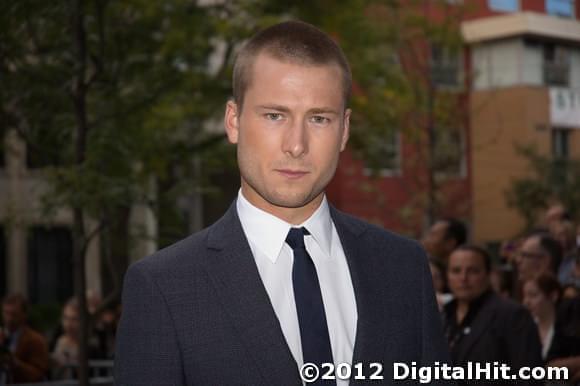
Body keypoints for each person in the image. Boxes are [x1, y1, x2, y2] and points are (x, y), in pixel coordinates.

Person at [115, 20, 450, 385]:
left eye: (319, 119)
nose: (296, 144)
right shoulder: (165, 286)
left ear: (344, 130)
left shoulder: (402, 268)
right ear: (233, 121)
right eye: (275, 115)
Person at [442, 246, 542, 385]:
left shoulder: (512, 315)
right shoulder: (441, 315)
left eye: (473, 271)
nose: (463, 278)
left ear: (488, 274)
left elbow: (529, 374)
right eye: (456, 271)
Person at [0, 293, 49, 383]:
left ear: (24, 315)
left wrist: (15, 363)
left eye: (14, 314)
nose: (9, 319)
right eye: (6, 313)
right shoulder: (2, 335)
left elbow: (38, 374)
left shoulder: (35, 340)